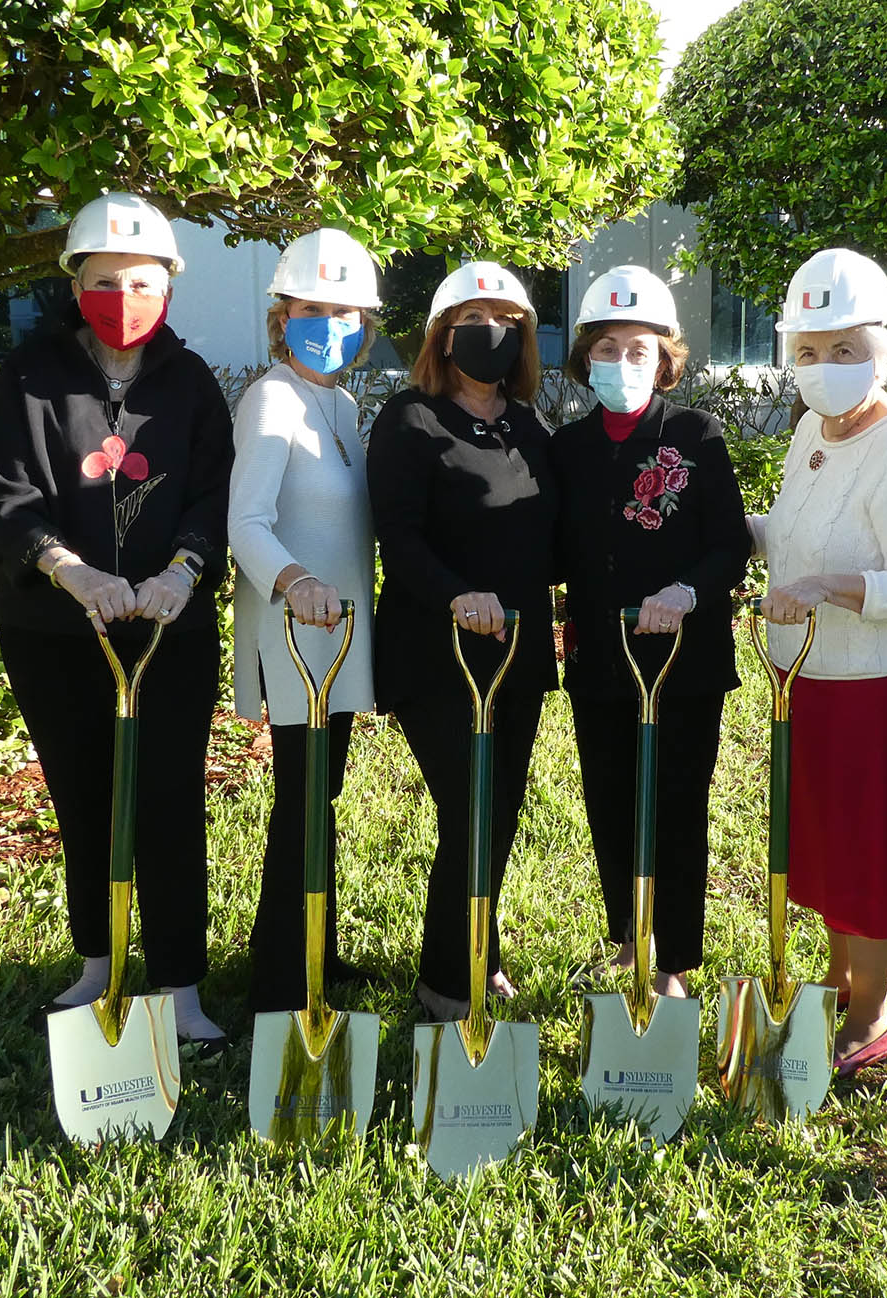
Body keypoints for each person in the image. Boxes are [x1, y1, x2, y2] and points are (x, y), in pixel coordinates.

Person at [0, 192, 233, 1056]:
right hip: (54, 634)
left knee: (169, 800)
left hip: (168, 632)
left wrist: (184, 570)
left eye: (143, 281)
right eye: (105, 280)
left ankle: (180, 985)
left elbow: (212, 492)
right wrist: (70, 570)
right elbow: (6, 498)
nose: (125, 296)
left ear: (170, 288)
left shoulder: (191, 384)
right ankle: (98, 963)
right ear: (74, 284)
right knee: (82, 796)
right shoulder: (27, 379)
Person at [748, 247, 887, 1076]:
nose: (824, 364)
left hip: (872, 685)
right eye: (809, 349)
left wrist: (828, 587)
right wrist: (726, 528)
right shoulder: (811, 430)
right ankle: (838, 981)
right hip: (806, 676)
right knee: (826, 843)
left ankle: (871, 1015)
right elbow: (794, 529)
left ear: (883, 348)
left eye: (844, 348)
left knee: (863, 851)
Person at [366, 261, 558, 1021]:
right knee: (472, 808)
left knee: (500, 809)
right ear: (442, 337)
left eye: (507, 321)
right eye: (473, 318)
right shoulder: (410, 419)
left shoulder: (529, 424)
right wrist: (457, 594)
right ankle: (447, 980)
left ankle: (481, 948)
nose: (492, 332)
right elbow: (398, 537)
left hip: (517, 651)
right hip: (437, 651)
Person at [552, 266, 750, 998]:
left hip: (683, 661)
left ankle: (673, 963)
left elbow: (729, 543)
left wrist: (685, 591)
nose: (623, 362)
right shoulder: (566, 448)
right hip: (600, 658)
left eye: (639, 350)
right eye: (607, 348)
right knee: (610, 802)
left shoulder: (696, 435)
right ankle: (629, 937)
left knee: (676, 804)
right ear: (586, 358)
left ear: (665, 359)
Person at [229, 228, 383, 1012]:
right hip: (294, 635)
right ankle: (282, 981)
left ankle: (308, 943)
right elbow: (246, 522)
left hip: (339, 638)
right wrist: (295, 582)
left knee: (318, 795)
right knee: (300, 800)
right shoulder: (272, 398)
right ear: (281, 315)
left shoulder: (342, 405)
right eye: (313, 308)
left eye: (345, 312)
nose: (331, 324)